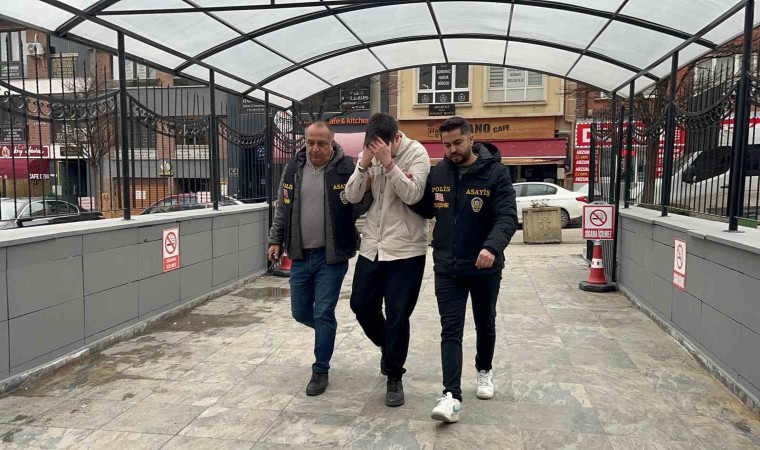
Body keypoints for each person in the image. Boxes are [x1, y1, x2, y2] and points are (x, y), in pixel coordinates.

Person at [410, 116, 518, 423]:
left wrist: (492, 247)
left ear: (471, 139)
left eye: (457, 143)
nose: (452, 150)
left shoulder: (495, 172)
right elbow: (426, 208)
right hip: (447, 266)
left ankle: (484, 369)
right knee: (450, 329)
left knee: (485, 323)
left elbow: (507, 216)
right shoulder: (439, 172)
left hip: (485, 267)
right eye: (446, 145)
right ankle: (451, 396)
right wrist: (407, 185)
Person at [267, 121, 370, 396]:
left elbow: (359, 207)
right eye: (310, 142)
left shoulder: (345, 167)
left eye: (321, 143)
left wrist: (367, 185)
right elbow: (283, 209)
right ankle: (327, 331)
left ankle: (320, 370)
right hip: (300, 255)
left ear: (332, 143)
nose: (315, 148)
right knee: (300, 312)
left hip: (331, 257)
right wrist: (275, 240)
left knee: (323, 312)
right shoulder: (293, 169)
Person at [345, 113, 431, 407]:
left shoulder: (416, 153)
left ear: (396, 138)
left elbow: (414, 194)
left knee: (398, 314)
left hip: (406, 249)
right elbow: (352, 196)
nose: (377, 150)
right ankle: (388, 345)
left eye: (383, 145)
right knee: (360, 305)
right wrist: (363, 165)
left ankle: (394, 376)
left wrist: (390, 165)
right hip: (372, 245)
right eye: (371, 145)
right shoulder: (368, 153)